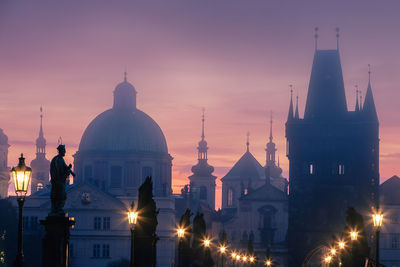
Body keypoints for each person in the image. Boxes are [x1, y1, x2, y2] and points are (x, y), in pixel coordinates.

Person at [49, 144, 75, 216]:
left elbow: (64, 168)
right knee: (59, 195)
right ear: (61, 151)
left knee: (62, 195)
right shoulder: (57, 160)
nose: (65, 152)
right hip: (58, 181)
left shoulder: (60, 159)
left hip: (60, 181)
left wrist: (69, 170)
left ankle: (58, 208)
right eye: (64, 150)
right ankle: (57, 209)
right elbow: (57, 171)